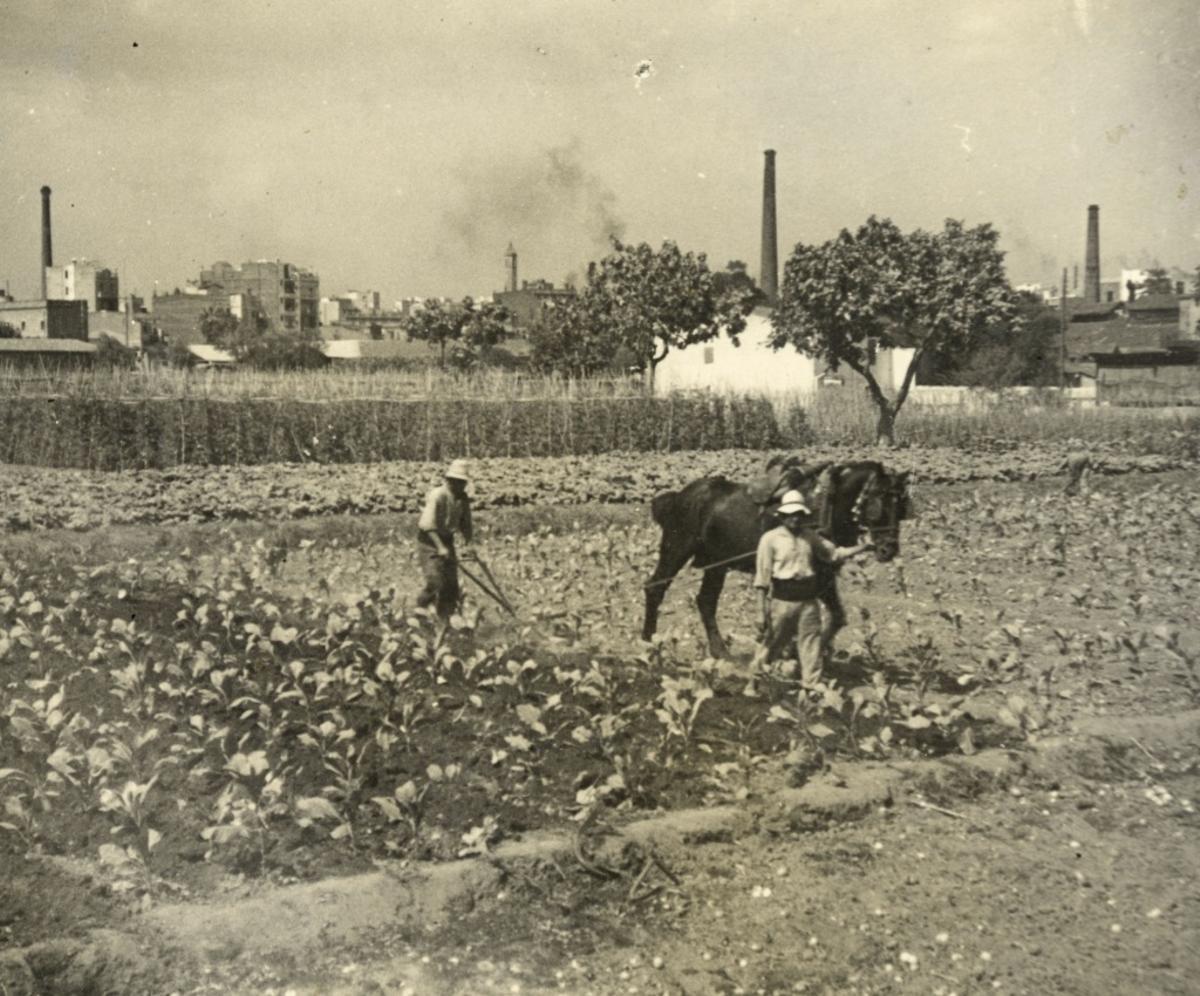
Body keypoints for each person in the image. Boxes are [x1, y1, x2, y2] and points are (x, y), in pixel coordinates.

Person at [750, 490, 873, 687]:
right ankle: (754, 683)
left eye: (799, 514)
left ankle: (810, 685)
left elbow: (834, 554)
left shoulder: (810, 537)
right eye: (790, 515)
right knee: (771, 643)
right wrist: (760, 611)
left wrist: (863, 547)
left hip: (808, 601)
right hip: (782, 602)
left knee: (811, 645)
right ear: (782, 516)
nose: (795, 519)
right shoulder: (770, 539)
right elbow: (762, 579)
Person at [415, 459, 474, 620]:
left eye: (463, 482)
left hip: (447, 540)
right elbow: (427, 525)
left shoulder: (462, 498)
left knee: (451, 586)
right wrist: (440, 547)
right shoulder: (438, 495)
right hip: (429, 541)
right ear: (449, 480)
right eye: (457, 481)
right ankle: (420, 611)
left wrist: (469, 544)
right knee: (435, 582)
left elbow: (466, 524)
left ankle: (446, 619)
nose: (461, 485)